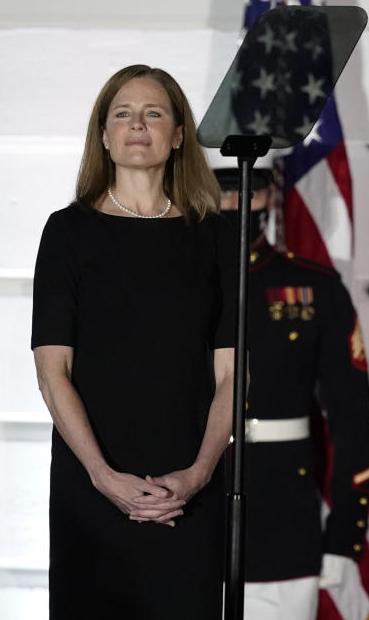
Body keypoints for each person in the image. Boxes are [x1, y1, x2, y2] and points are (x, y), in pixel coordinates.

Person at [32, 65, 235, 619]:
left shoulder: (216, 236)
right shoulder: (67, 232)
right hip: (91, 486)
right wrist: (102, 475)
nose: (137, 124)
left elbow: (232, 377)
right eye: (122, 113)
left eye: (153, 113)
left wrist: (195, 476)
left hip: (187, 490)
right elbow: (53, 371)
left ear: (177, 135)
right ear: (103, 134)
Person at [214, 168, 369, 620]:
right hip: (193, 513)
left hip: (285, 519)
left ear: (270, 197)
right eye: (224, 191)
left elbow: (351, 416)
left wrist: (345, 534)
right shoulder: (178, 285)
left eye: (250, 190)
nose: (237, 204)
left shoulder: (315, 288)